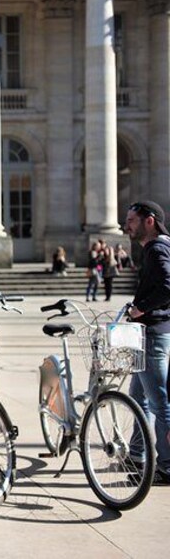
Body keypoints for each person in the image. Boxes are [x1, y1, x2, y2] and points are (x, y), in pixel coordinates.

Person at [124, 200, 170, 486]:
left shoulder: (156, 248)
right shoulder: (161, 246)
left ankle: (166, 465)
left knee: (160, 403)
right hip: (151, 332)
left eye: (131, 220)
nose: (126, 224)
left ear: (149, 221)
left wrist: (141, 307)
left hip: (152, 332)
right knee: (137, 397)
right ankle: (136, 454)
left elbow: (168, 285)